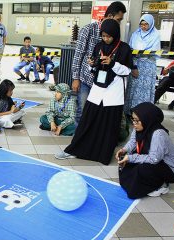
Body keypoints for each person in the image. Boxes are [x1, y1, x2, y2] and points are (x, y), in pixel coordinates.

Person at [55, 19, 133, 165]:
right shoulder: (99, 46)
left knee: (108, 125)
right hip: (97, 89)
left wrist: (113, 63)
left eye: (109, 36)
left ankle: (102, 154)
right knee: (87, 119)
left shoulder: (124, 48)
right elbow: (95, 67)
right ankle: (74, 149)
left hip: (114, 92)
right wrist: (92, 65)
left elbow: (127, 70)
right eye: (103, 36)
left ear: (115, 35)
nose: (106, 39)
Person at [71, 2, 127, 127]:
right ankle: (78, 138)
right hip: (86, 79)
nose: (119, 23)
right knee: (82, 110)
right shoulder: (88, 30)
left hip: (105, 83)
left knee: (99, 113)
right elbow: (78, 55)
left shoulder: (115, 33)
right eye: (119, 19)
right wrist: (75, 78)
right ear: (111, 16)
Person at [117, 102, 174, 198]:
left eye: (137, 120)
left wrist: (131, 157)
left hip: (172, 169)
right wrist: (124, 150)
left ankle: (162, 185)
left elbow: (154, 159)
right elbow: (133, 141)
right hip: (158, 161)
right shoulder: (141, 127)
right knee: (126, 162)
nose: (134, 123)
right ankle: (151, 182)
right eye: (133, 119)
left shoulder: (158, 134)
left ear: (146, 119)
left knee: (141, 168)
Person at [124, 14, 161, 115]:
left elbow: (155, 51)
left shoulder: (156, 35)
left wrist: (143, 53)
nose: (143, 26)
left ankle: (144, 113)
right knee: (133, 88)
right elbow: (131, 49)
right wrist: (133, 65)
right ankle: (130, 112)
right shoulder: (136, 34)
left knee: (145, 89)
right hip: (136, 64)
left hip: (148, 65)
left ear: (151, 24)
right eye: (142, 24)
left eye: (146, 24)